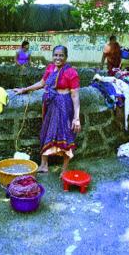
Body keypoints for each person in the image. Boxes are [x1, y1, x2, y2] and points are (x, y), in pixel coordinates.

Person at [14, 45, 81, 177]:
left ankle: (64, 170)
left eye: (61, 55)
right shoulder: (50, 68)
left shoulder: (71, 72)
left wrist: (76, 117)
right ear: (52, 56)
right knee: (46, 132)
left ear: (66, 57)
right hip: (51, 106)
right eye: (56, 55)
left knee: (65, 134)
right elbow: (42, 83)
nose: (58, 58)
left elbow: (75, 95)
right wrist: (24, 89)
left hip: (64, 106)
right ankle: (44, 165)